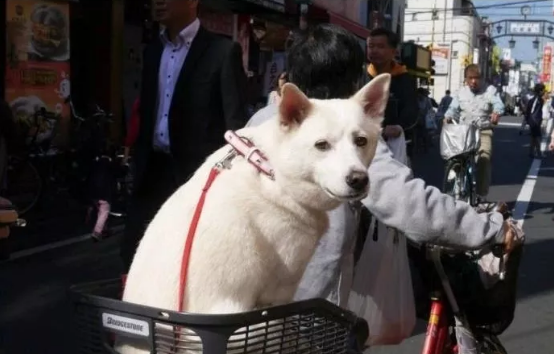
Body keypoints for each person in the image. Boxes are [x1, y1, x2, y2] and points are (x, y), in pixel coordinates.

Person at [247, 24, 516, 309]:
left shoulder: (261, 121)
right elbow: (409, 203)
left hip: (244, 305)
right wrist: (491, 229)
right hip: (307, 311)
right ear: (353, 81)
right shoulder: (347, 131)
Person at [120, 0, 248, 270]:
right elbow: (146, 109)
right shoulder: (154, 51)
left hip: (197, 176)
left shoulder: (223, 52)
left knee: (191, 261)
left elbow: (235, 125)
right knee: (136, 254)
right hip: (152, 170)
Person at [444, 64, 504, 202]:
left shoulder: (490, 91)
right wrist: (447, 117)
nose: (473, 81)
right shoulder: (460, 92)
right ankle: (456, 178)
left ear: (482, 78)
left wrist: (496, 112)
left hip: (483, 131)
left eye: (476, 78)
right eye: (470, 78)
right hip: (463, 132)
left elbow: (498, 104)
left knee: (484, 158)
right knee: (453, 156)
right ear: (465, 79)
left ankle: (481, 195)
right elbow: (453, 109)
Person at [366, 28, 418, 147]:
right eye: (371, 46)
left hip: (392, 143)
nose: (374, 50)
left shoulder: (404, 79)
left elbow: (411, 111)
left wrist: (399, 126)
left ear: (393, 51)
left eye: (380, 46)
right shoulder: (361, 76)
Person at [525, 83, 545, 158]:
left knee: (533, 137)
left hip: (534, 120)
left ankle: (531, 152)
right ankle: (539, 153)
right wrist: (531, 120)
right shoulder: (537, 99)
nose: (544, 92)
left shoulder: (536, 99)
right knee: (537, 137)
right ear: (539, 91)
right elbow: (532, 111)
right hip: (535, 121)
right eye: (543, 90)